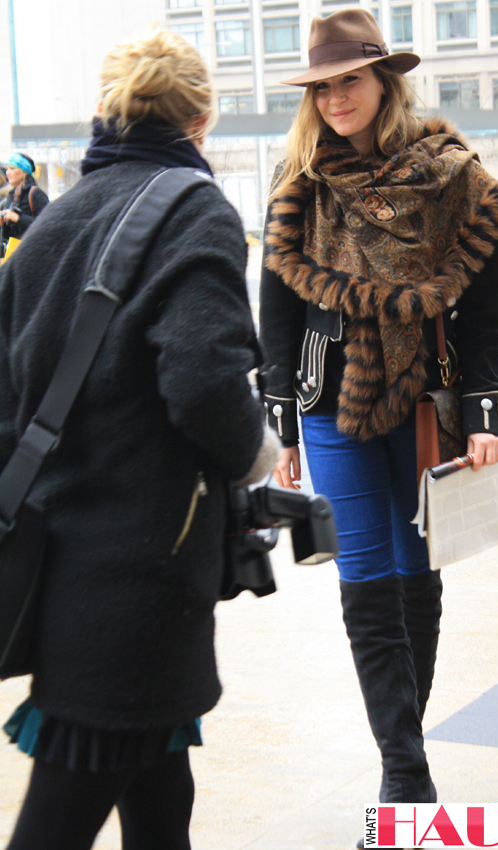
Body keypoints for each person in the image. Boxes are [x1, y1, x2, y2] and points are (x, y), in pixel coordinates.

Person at [259, 9, 498, 848]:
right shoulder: (300, 178)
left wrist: (487, 408)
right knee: (367, 567)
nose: (337, 96)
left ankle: (400, 748)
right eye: (324, 85)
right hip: (329, 399)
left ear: (385, 80)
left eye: (351, 79)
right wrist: (281, 420)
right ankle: (405, 773)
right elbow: (275, 300)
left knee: (419, 565)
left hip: (428, 396)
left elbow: (486, 304)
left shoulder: (454, 176)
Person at [0, 26, 279, 850]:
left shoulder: (57, 220)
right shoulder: (194, 210)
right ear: (201, 122)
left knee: (162, 797)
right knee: (64, 814)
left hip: (58, 561)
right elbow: (202, 381)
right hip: (138, 577)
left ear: (106, 112)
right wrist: (258, 455)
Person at [0, 153, 49, 249]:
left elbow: (47, 224)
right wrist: (4, 222)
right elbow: (8, 235)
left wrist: (18, 218)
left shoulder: (35, 193)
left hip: (33, 252)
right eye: (7, 169)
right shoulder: (11, 196)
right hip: (14, 252)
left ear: (24, 172)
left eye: (12, 169)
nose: (8, 172)